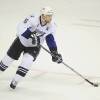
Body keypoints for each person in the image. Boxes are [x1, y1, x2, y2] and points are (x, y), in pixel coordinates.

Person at [0, 7, 63, 89]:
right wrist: (30, 34)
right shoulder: (33, 18)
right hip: (21, 42)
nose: (50, 18)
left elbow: (50, 39)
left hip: (34, 46)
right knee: (7, 60)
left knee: (28, 61)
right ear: (43, 15)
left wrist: (54, 52)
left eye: (51, 16)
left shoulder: (52, 25)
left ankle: (16, 80)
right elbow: (20, 29)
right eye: (48, 16)